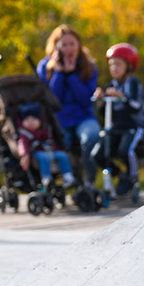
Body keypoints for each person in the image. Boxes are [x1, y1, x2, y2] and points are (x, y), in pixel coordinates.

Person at [37, 25, 101, 188]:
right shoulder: (45, 67)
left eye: (72, 44)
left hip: (83, 116)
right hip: (58, 119)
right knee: (60, 143)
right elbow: (52, 100)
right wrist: (59, 73)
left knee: (92, 137)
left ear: (79, 44)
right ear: (56, 47)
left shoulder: (89, 66)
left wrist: (71, 74)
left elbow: (85, 100)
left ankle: (89, 183)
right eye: (64, 45)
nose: (68, 49)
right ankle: (72, 183)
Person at [93, 43, 144, 195]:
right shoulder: (111, 85)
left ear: (129, 65)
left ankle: (133, 179)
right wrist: (101, 103)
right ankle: (122, 176)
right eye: (111, 64)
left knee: (125, 151)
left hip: (131, 127)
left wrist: (122, 97)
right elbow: (105, 114)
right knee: (98, 155)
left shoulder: (133, 83)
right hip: (114, 128)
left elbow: (137, 106)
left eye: (118, 64)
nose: (114, 68)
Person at [16, 102, 77, 190]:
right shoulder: (24, 134)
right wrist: (25, 155)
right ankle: (46, 178)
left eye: (34, 119)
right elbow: (23, 145)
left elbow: (53, 142)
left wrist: (58, 149)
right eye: (27, 119)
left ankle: (68, 176)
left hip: (51, 151)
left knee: (62, 155)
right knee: (43, 157)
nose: (31, 122)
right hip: (36, 153)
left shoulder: (46, 130)